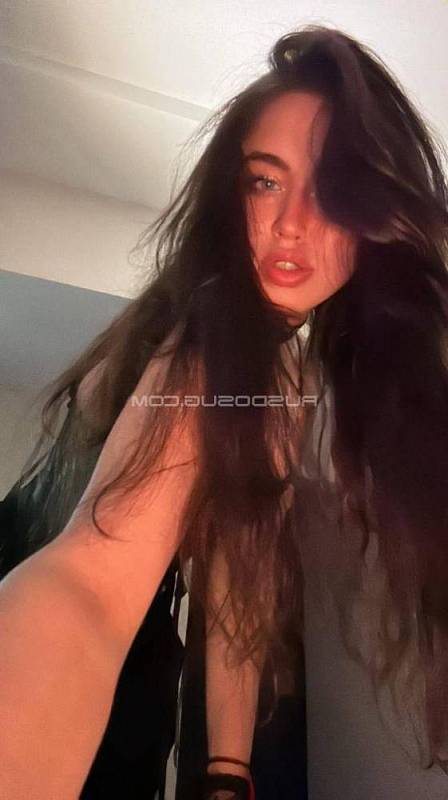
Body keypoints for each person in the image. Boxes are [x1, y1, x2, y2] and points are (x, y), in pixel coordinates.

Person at [1, 22, 448, 799]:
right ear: (226, 194)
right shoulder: (223, 338)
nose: (292, 224)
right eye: (264, 181)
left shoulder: (218, 339)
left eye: (332, 192)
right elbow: (91, 581)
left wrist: (227, 770)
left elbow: (242, 565)